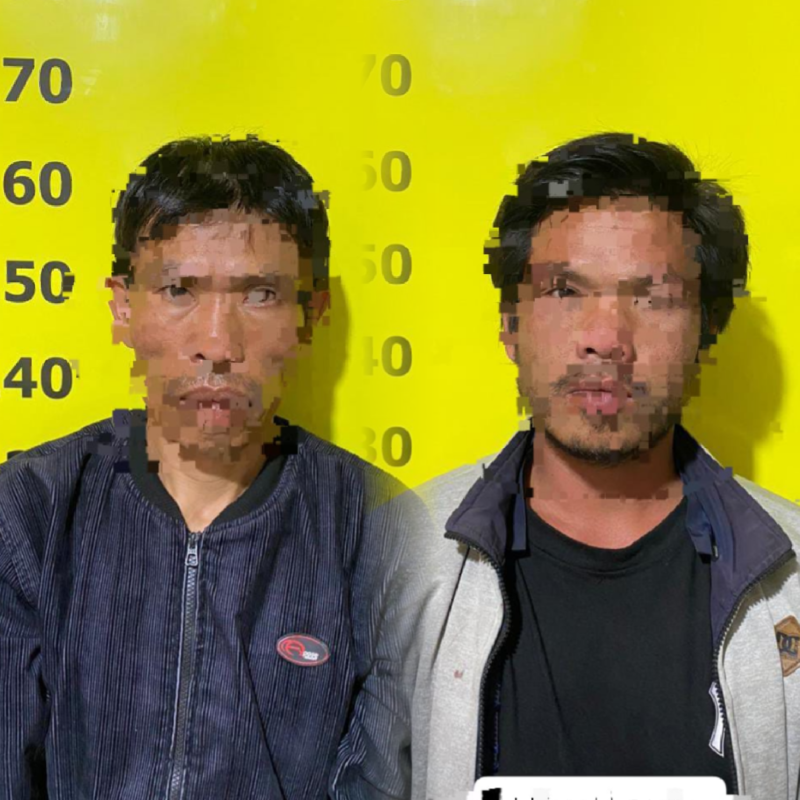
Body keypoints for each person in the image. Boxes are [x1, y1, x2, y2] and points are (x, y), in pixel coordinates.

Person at [0, 135, 418, 799]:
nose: (218, 344)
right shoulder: (31, 510)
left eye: (260, 294)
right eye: (178, 290)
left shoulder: (381, 532)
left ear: (310, 317)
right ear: (122, 306)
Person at [413, 133, 800, 800]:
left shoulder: (789, 577)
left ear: (707, 332)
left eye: (652, 297)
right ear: (510, 324)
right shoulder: (395, 562)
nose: (605, 339)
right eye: (564, 290)